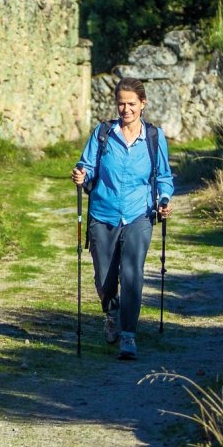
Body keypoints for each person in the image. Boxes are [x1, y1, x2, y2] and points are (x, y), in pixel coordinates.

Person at [71, 77, 174, 360]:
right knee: (104, 278)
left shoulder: (154, 138)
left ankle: (128, 335)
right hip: (103, 213)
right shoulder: (104, 133)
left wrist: (164, 201)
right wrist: (81, 174)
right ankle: (112, 312)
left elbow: (163, 177)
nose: (125, 109)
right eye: (121, 103)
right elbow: (87, 166)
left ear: (143, 104)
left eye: (131, 104)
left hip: (139, 214)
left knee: (132, 274)